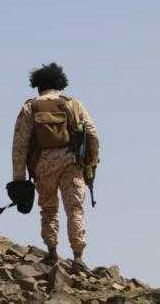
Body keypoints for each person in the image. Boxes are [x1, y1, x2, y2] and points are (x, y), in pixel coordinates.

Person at [11, 63, 99, 270]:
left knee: (49, 209)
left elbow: (19, 145)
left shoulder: (30, 107)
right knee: (75, 208)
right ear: (60, 83)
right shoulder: (72, 104)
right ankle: (78, 257)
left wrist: (18, 178)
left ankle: (52, 252)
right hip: (71, 162)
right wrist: (91, 162)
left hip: (42, 164)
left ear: (38, 85)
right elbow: (92, 134)